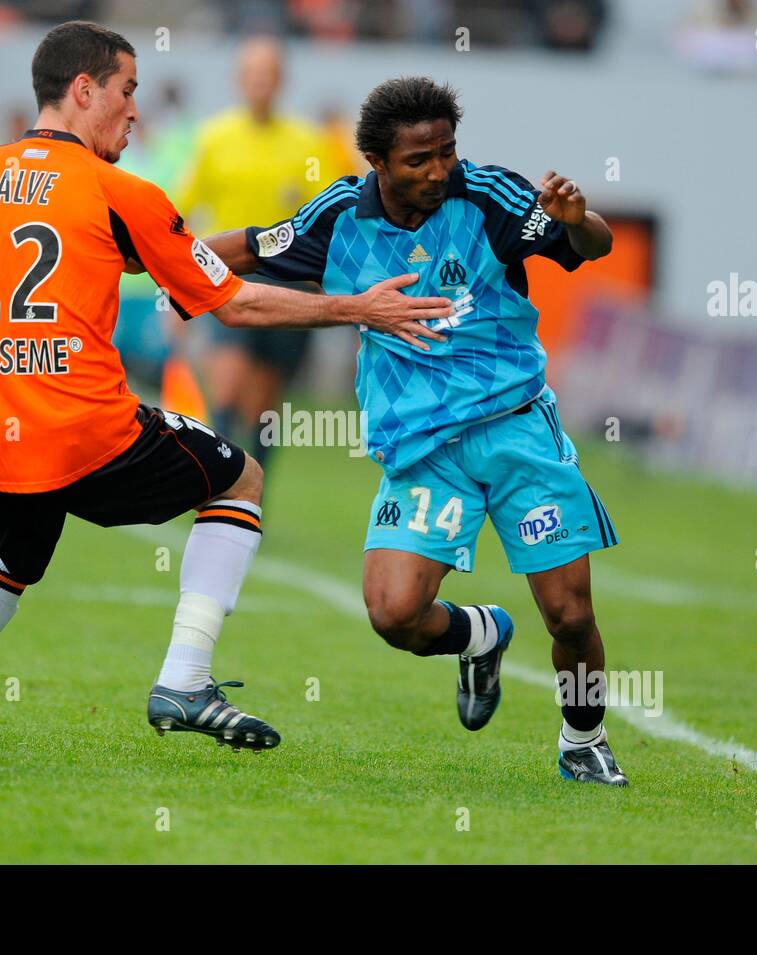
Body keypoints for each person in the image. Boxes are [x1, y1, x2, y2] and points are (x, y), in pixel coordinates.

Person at [0, 24, 452, 751]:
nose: (135, 111)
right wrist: (358, 307)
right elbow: (234, 301)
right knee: (239, 477)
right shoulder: (119, 189)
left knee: (11, 559)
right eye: (127, 91)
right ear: (84, 91)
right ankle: (185, 680)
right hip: (89, 430)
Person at [205, 77, 628, 784]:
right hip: (424, 449)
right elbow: (246, 247)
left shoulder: (490, 195)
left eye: (447, 152)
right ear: (375, 160)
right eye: (418, 160)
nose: (439, 170)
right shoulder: (340, 215)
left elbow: (593, 243)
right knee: (395, 613)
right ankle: (482, 633)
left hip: (516, 426)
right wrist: (153, 255)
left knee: (571, 612)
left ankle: (583, 738)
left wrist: (579, 219)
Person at [176, 36, 333, 465]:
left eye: (268, 74)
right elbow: (180, 212)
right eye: (252, 74)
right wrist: (173, 287)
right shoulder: (214, 138)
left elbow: (333, 214)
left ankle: (250, 498)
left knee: (263, 409)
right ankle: (217, 486)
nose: (260, 83)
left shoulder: (308, 142)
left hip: (289, 285)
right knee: (225, 388)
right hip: (228, 278)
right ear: (239, 80)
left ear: (281, 80)